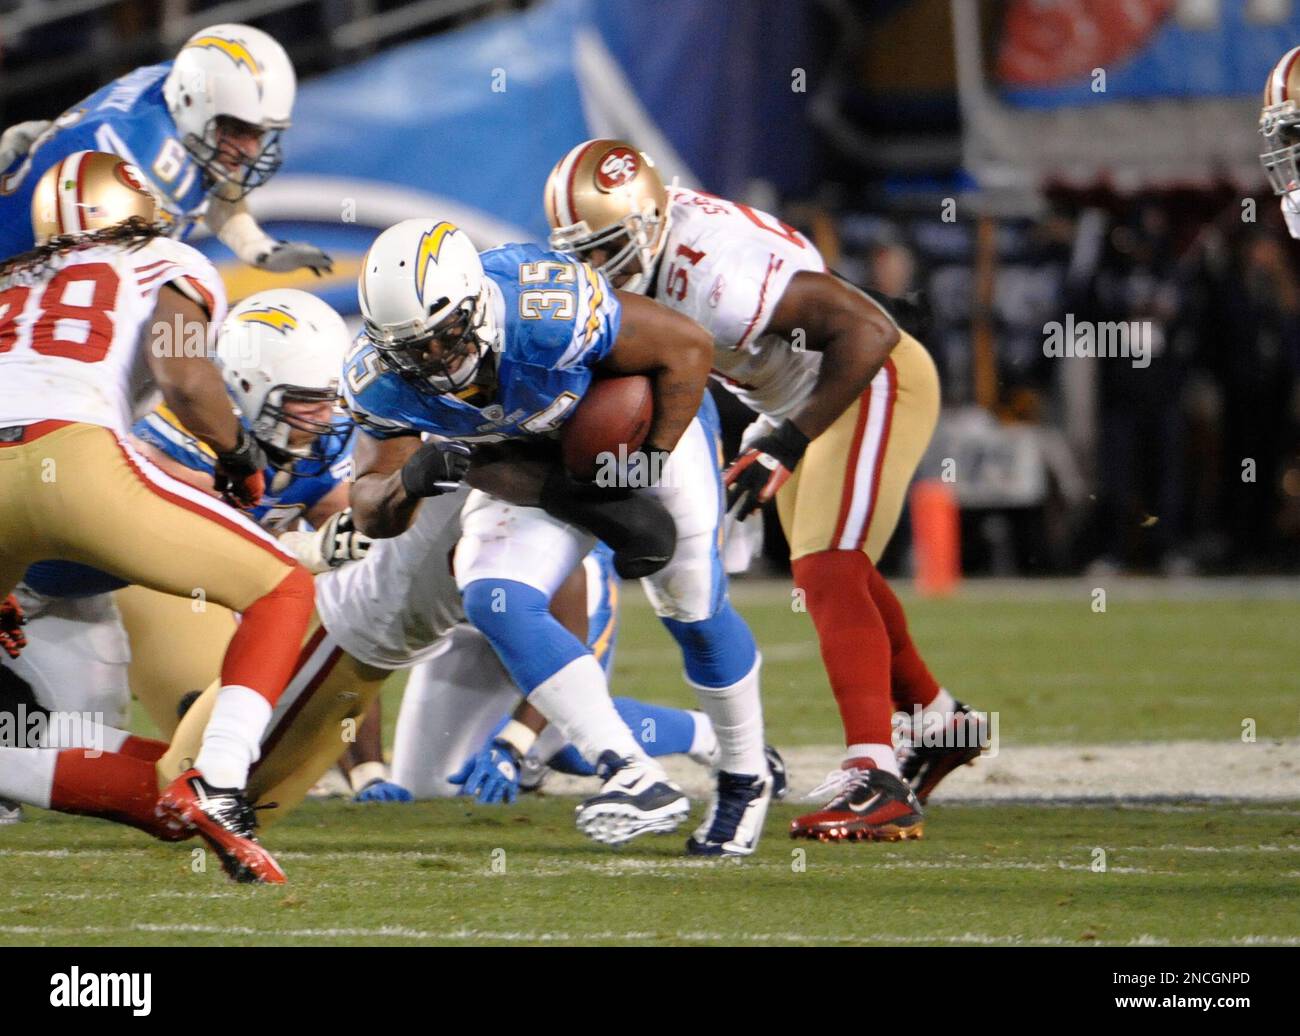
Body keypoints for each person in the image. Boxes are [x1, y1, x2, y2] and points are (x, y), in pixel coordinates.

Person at [544, 139, 987, 842]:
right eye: (583, 251)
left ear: (650, 221)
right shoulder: (653, 261)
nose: (596, 268)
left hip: (870, 376)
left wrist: (786, 440)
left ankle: (876, 776)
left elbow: (870, 331)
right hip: (793, 400)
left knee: (828, 564)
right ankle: (939, 721)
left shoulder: (714, 266)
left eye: (607, 247)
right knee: (837, 572)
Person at [345, 219, 775, 855]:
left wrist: (644, 465)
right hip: (530, 475)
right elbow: (370, 512)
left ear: (473, 305)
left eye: (441, 338)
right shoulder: (380, 380)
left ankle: (746, 776)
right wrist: (409, 481)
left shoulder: (541, 305)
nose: (432, 362)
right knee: (492, 591)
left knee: (690, 607)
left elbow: (685, 347)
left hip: (644, 434)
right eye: (412, 350)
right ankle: (632, 774)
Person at [0, 150, 315, 881]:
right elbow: (182, 374)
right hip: (71, 459)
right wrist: (238, 454)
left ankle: (184, 788)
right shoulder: (161, 258)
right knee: (283, 589)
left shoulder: (9, 279)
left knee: (158, 798)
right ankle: (220, 778)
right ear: (141, 212)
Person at [0, 23, 329, 276]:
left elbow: (216, 184)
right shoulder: (132, 159)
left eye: (259, 134)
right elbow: (113, 293)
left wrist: (255, 245)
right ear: (190, 102)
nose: (251, 151)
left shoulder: (186, 88)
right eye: (240, 131)